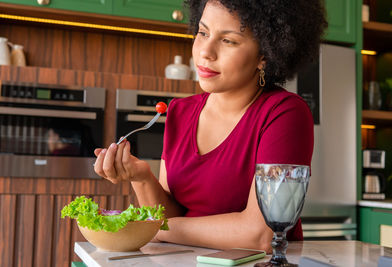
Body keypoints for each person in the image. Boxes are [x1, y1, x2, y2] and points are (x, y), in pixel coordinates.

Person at [94, 0, 327, 252]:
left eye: (228, 41)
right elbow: (175, 213)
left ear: (264, 55)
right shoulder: (179, 112)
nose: (206, 51)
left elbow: (261, 234)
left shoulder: (285, 113)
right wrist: (140, 178)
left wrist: (156, 228)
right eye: (203, 33)